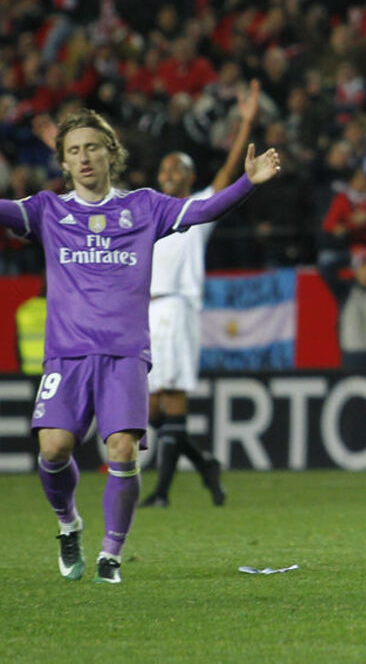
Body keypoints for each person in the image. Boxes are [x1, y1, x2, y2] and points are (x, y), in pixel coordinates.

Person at [0, 109, 280, 584]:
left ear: (111, 153)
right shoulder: (47, 210)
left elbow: (204, 210)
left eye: (92, 147)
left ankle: (111, 554)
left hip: (125, 354)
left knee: (123, 452)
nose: (84, 157)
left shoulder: (146, 207)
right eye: (73, 151)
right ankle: (69, 525)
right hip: (66, 356)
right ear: (64, 164)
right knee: (52, 449)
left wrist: (247, 184)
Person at [140, 80, 261, 509]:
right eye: (165, 169)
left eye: (178, 170)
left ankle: (160, 493)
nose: (169, 174)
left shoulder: (197, 212)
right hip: (147, 313)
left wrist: (245, 123)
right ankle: (205, 464)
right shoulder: (146, 214)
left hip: (176, 307)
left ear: (190, 178)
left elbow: (229, 176)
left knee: (171, 399)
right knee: (153, 412)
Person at [325, 247, 366, 370]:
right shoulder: (346, 290)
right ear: (355, 269)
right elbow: (326, 268)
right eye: (363, 266)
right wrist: (348, 255)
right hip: (353, 353)